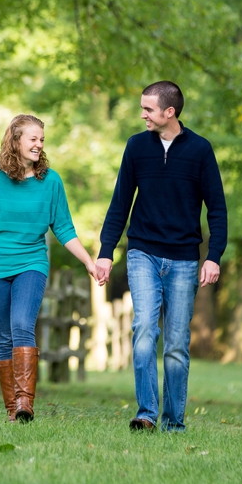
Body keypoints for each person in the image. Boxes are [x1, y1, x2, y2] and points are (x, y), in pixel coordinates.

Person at [95, 82, 228, 433]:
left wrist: (213, 256)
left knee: (176, 344)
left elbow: (217, 209)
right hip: (143, 252)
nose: (142, 115)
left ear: (170, 112)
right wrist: (106, 253)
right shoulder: (136, 147)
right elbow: (120, 203)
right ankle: (146, 414)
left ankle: (174, 421)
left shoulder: (200, 150)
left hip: (184, 259)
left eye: (148, 109)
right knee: (143, 329)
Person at [0, 113, 96, 424]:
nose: (39, 144)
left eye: (42, 139)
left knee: (22, 324)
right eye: (33, 139)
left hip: (31, 263)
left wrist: (88, 261)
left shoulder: (51, 181)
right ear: (15, 140)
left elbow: (64, 228)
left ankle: (24, 404)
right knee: (4, 337)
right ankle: (13, 410)